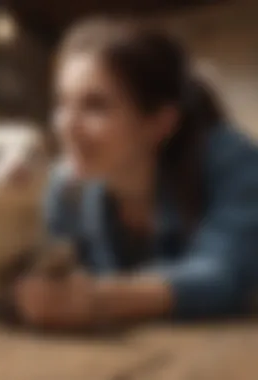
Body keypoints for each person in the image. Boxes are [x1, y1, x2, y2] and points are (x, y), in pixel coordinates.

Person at [15, 17, 258, 329]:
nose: (67, 127)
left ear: (160, 123)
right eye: (62, 103)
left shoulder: (231, 161)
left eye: (95, 106)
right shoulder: (65, 189)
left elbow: (225, 275)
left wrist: (99, 299)